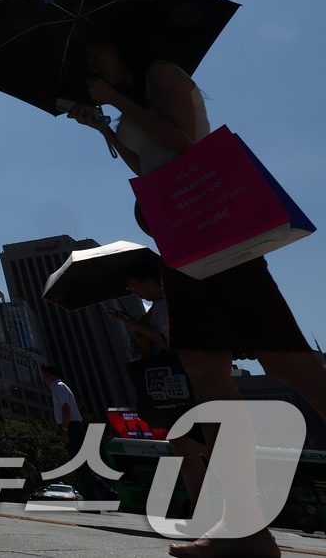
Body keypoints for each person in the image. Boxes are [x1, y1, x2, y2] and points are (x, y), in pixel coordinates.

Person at [67, 28, 326, 558]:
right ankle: (244, 527)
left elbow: (184, 145)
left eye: (99, 54)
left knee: (289, 364)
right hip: (182, 237)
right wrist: (105, 127)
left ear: (125, 43)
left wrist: (115, 101)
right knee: (204, 369)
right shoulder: (130, 103)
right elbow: (149, 167)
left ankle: (246, 530)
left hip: (214, 232)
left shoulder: (163, 73)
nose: (96, 68)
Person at [108, 258, 209, 505]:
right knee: (184, 443)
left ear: (150, 280)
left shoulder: (164, 304)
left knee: (193, 443)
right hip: (173, 383)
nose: (135, 291)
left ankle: (210, 502)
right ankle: (203, 504)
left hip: (174, 383)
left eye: (135, 285)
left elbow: (168, 341)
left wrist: (134, 325)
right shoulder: (161, 305)